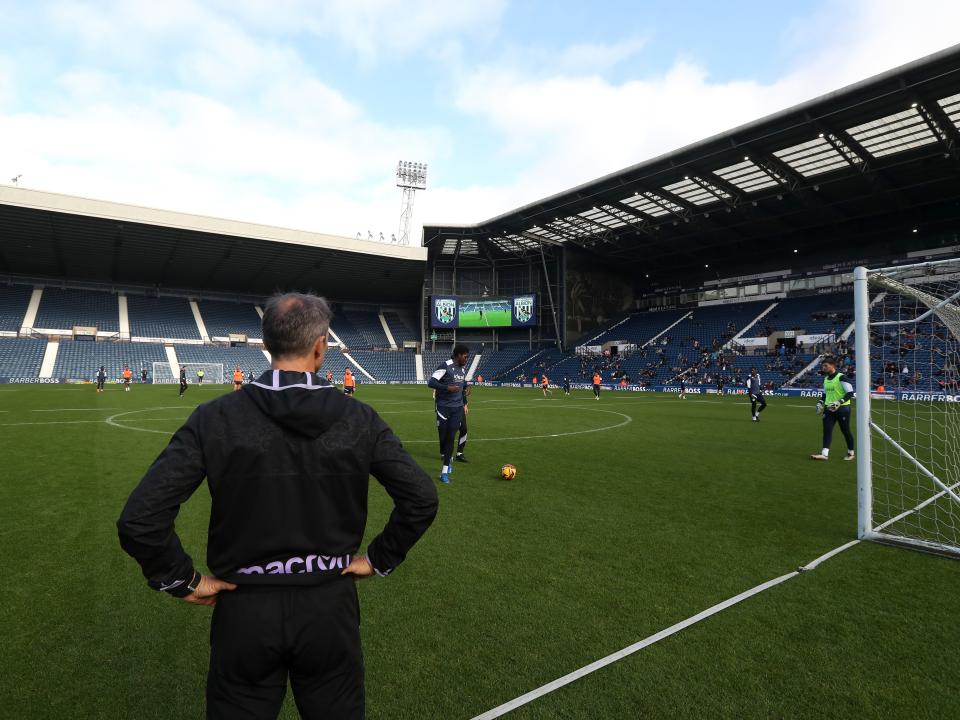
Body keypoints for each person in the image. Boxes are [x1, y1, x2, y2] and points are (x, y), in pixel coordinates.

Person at [117, 292, 438, 719]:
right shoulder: (359, 419)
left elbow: (141, 518)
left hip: (245, 610)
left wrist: (184, 579)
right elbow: (421, 497)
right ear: (321, 346)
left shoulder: (215, 418)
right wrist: (378, 558)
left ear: (266, 344)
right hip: (329, 607)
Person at [428, 344, 469, 484]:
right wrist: (447, 388)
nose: (466, 359)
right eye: (465, 356)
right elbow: (431, 382)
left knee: (451, 437)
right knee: (444, 436)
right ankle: (447, 458)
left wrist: (465, 394)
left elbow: (461, 386)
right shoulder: (445, 366)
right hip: (443, 407)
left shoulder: (463, 369)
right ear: (458, 355)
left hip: (457, 408)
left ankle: (444, 471)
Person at [811, 356, 855, 461]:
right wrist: (820, 403)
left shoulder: (841, 377)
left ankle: (851, 452)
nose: (824, 368)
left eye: (826, 366)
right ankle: (824, 454)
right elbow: (826, 394)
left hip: (842, 409)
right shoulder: (826, 379)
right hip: (829, 409)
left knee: (845, 431)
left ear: (833, 366)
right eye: (823, 366)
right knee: (827, 431)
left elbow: (850, 393)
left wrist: (839, 402)